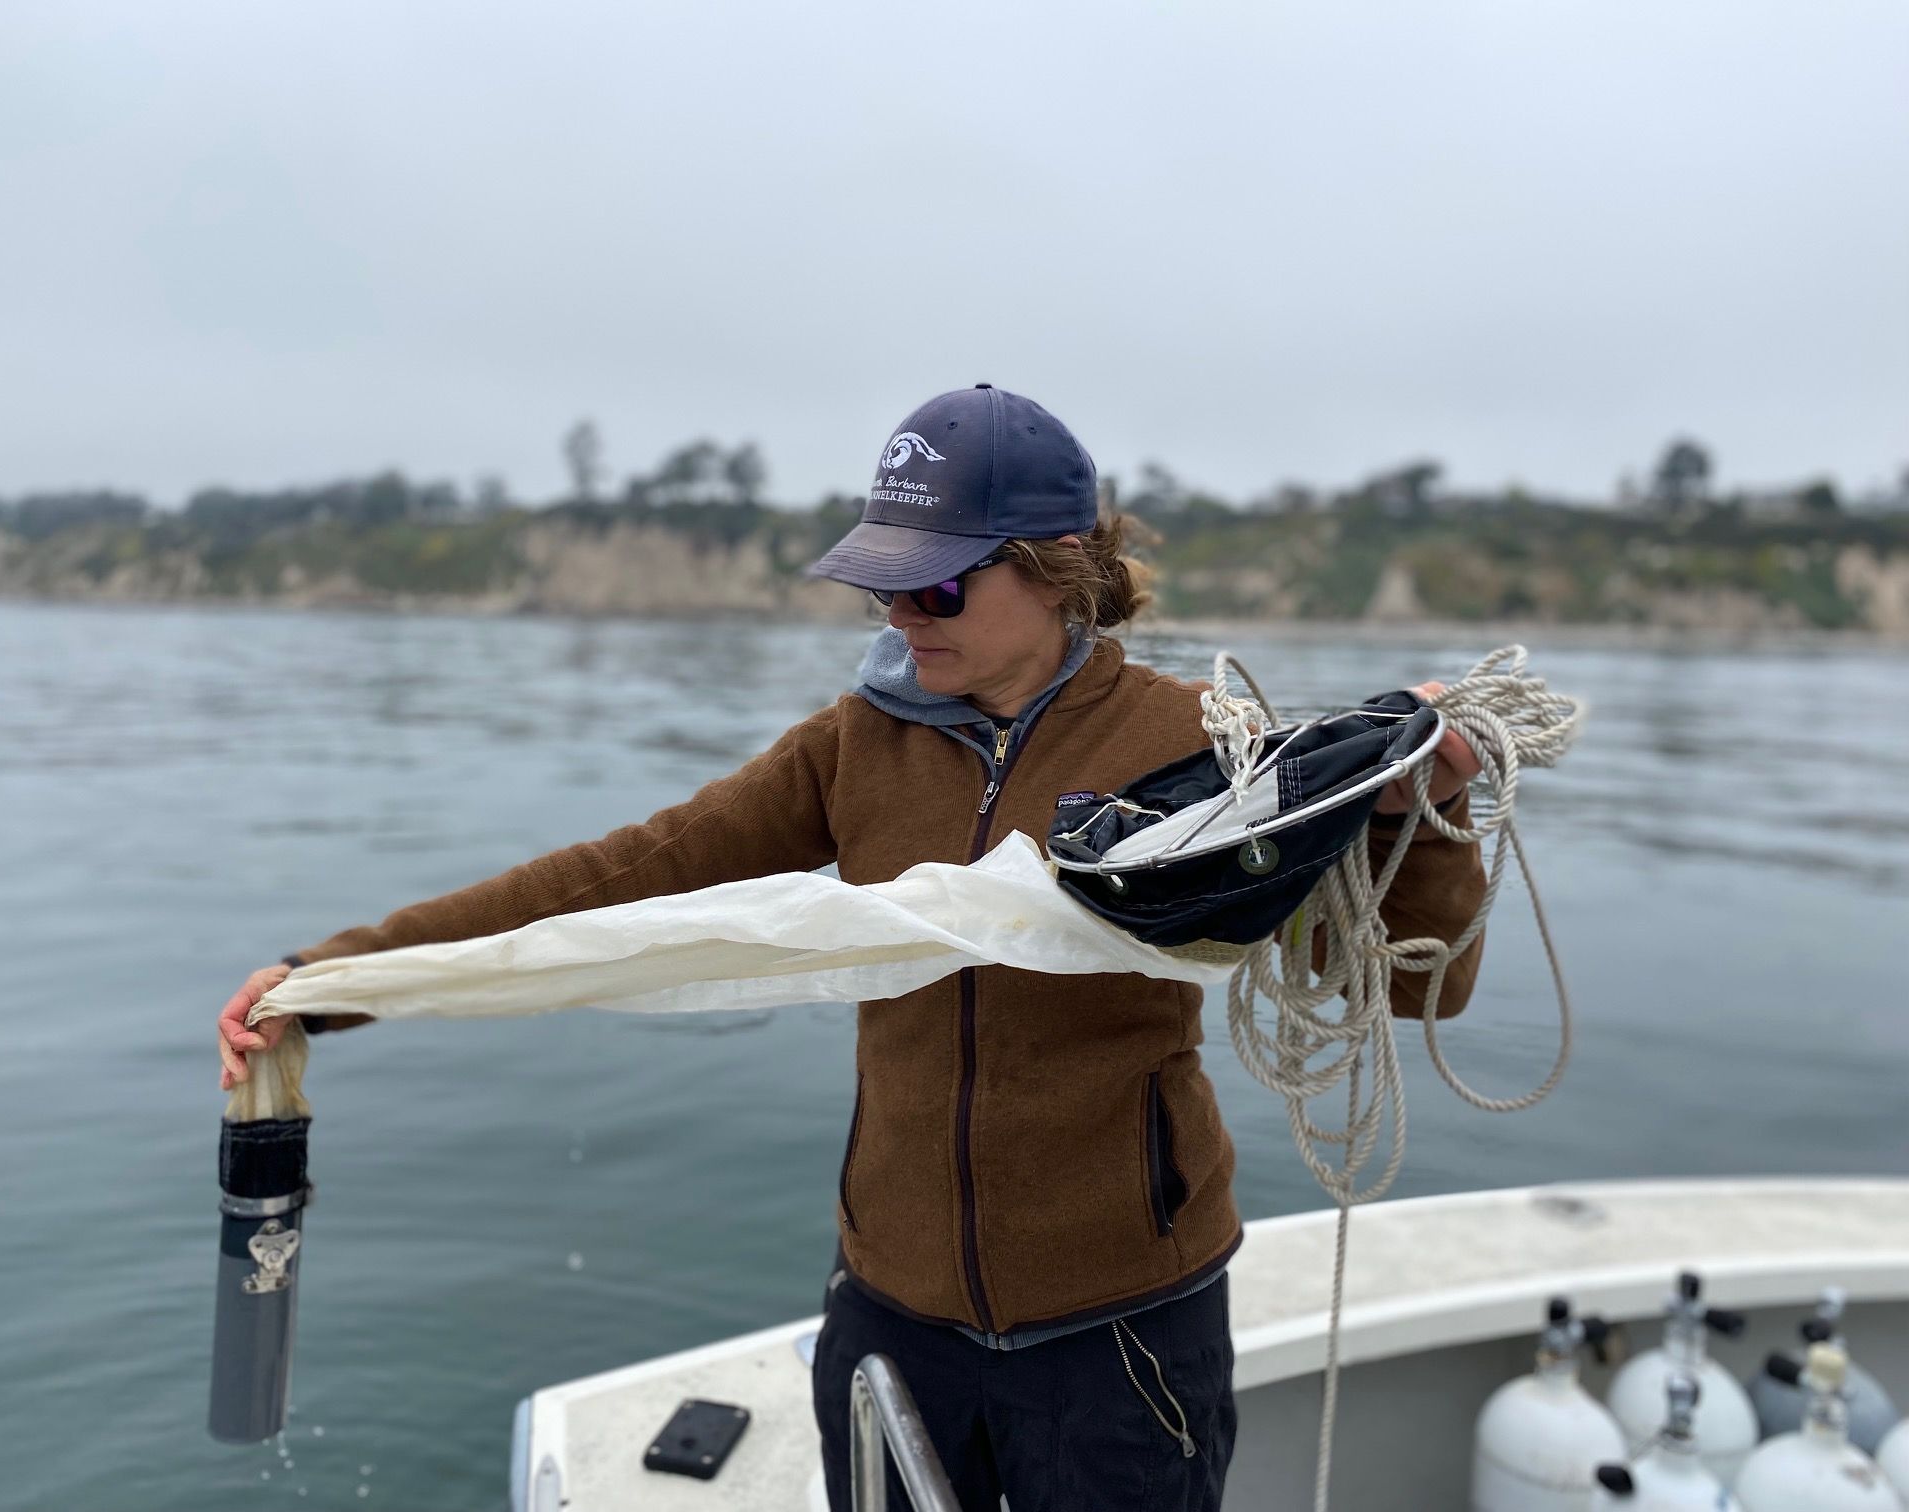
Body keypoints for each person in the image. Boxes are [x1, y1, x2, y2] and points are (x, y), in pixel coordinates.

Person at [216, 383, 1488, 1510]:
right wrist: (334, 981)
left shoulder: (1197, 746)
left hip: (1126, 1321)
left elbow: (1412, 982)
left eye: (934, 584)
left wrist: (1422, 815)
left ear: (1053, 572)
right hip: (895, 1312)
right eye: (883, 579)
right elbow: (615, 880)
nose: (898, 612)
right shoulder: (853, 746)